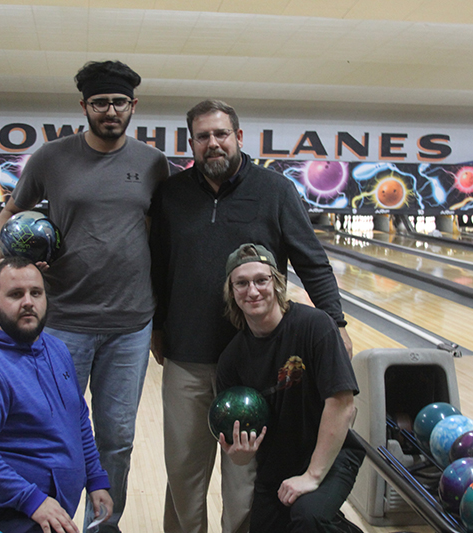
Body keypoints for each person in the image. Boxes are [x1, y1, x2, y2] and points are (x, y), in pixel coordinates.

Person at [149, 99, 353, 533]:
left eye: (221, 134)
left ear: (239, 137)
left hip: (252, 361)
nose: (213, 143)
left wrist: (334, 321)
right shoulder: (171, 194)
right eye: (203, 136)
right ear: (192, 143)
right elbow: (158, 266)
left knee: (243, 480)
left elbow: (311, 260)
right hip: (188, 355)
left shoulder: (275, 191)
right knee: (184, 473)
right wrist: (158, 326)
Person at [0, 60, 170, 532]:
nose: (109, 110)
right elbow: (9, 213)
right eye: (99, 103)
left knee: (117, 438)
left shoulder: (152, 163)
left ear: (133, 106)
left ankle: (102, 527)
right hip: (63, 321)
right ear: (84, 107)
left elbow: (162, 235)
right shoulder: (51, 158)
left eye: (117, 102)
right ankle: (51, 524)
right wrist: (4, 272)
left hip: (130, 325)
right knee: (52, 433)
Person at [0, 257, 113, 533]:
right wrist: (33, 500)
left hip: (32, 506)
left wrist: (95, 478)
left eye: (35, 293)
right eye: (16, 294)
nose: (28, 301)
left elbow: (77, 418)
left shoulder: (56, 349)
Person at [216, 243, 364, 532]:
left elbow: (343, 404)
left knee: (308, 517)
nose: (253, 291)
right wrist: (240, 453)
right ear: (232, 292)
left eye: (261, 280)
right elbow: (239, 451)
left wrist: (312, 475)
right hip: (277, 467)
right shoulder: (231, 360)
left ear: (277, 282)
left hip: (332, 456)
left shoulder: (316, 327)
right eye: (242, 283)